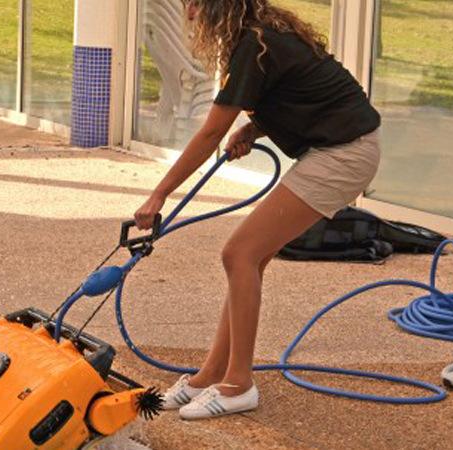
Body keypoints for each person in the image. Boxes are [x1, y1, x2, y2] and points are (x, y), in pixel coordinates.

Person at [133, 0, 381, 420]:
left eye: (194, 3)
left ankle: (238, 385)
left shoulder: (254, 43)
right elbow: (301, 92)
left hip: (344, 154)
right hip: (341, 147)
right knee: (250, 258)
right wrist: (255, 127)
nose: (189, 13)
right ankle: (211, 374)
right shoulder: (260, 38)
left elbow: (211, 131)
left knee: (239, 254)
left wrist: (159, 195)